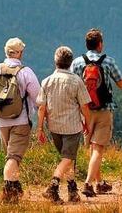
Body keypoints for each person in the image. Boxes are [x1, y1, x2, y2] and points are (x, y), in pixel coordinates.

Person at [70, 28, 122, 197]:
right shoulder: (108, 61)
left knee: (91, 147)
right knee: (98, 148)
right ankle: (88, 183)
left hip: (85, 110)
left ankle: (99, 183)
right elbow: (120, 84)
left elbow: (74, 86)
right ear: (100, 44)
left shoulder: (77, 63)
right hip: (104, 109)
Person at [0, 37, 40, 203]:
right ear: (19, 53)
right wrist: (42, 119)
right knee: (13, 157)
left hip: (1, 121)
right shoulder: (25, 72)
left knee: (11, 156)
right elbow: (38, 98)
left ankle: (15, 189)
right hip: (21, 121)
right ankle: (7, 193)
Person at [36, 46, 91, 204]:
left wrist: (40, 129)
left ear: (55, 62)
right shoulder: (76, 81)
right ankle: (52, 187)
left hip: (54, 127)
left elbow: (42, 107)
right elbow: (84, 106)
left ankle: (72, 192)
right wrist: (87, 122)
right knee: (67, 159)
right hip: (72, 127)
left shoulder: (46, 81)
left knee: (67, 159)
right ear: (70, 62)